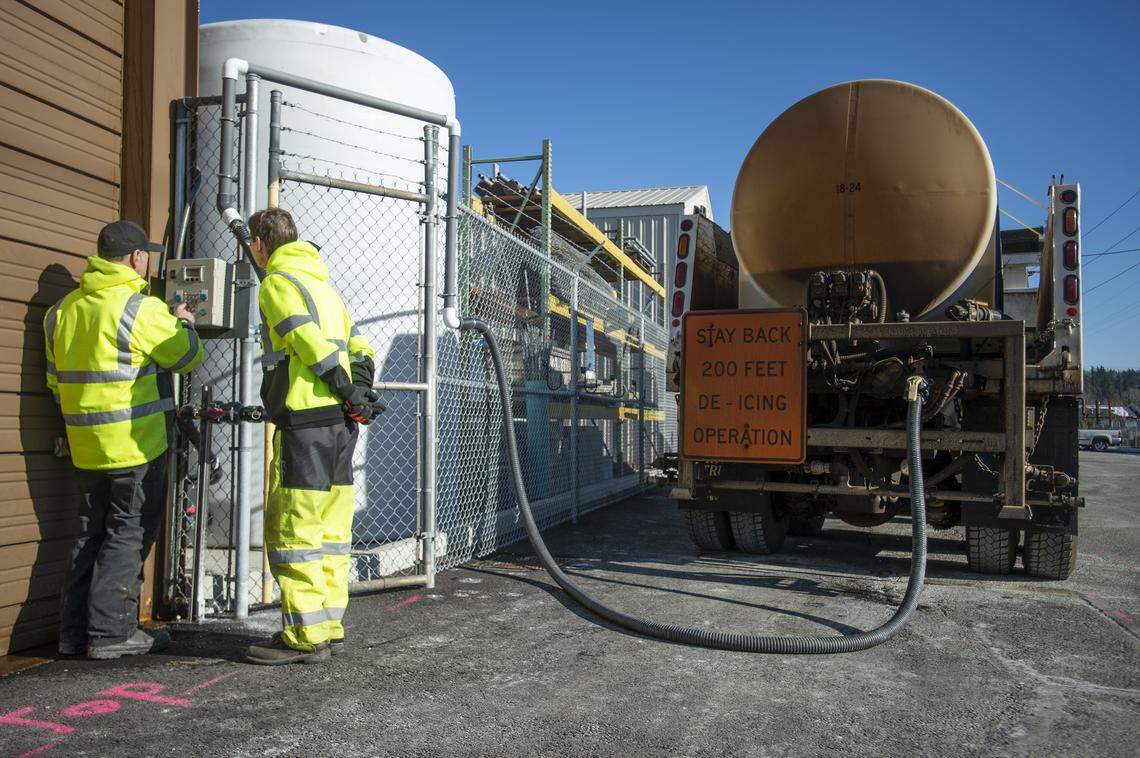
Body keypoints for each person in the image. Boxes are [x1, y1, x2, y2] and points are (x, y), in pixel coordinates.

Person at [45, 220, 203, 659]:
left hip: (85, 446)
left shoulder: (60, 312)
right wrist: (185, 322)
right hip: (135, 445)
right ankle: (111, 634)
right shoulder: (141, 308)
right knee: (126, 532)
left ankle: (75, 633)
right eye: (146, 255)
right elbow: (187, 356)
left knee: (88, 534)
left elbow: (55, 381)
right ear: (137, 258)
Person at [244, 208, 382, 665]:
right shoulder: (326, 289)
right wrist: (357, 389)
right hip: (342, 425)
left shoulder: (277, 284)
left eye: (251, 244)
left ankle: (305, 636)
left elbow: (304, 341)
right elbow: (361, 346)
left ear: (260, 243)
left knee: (295, 529)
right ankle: (328, 623)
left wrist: (344, 387)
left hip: (305, 421)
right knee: (332, 528)